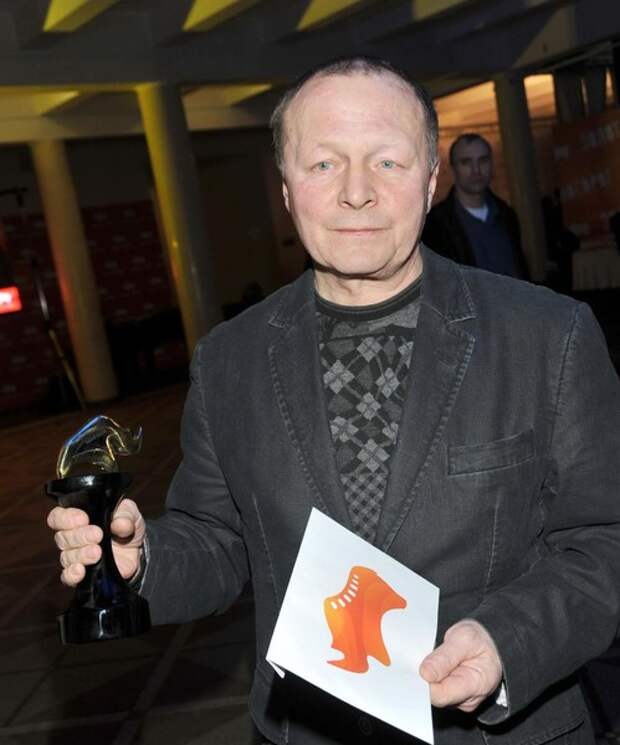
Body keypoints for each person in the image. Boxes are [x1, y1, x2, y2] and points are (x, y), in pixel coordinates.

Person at [47, 57, 620, 745]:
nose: (356, 193)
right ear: (287, 188)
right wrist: (142, 559)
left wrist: (507, 641)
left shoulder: (549, 336)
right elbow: (221, 539)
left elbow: (604, 540)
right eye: (323, 164)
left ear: (430, 178)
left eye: (387, 162)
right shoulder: (229, 358)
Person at [423, 133, 530, 279]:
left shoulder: (507, 215)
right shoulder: (435, 225)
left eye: (483, 160)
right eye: (466, 162)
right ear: (453, 168)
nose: (476, 170)